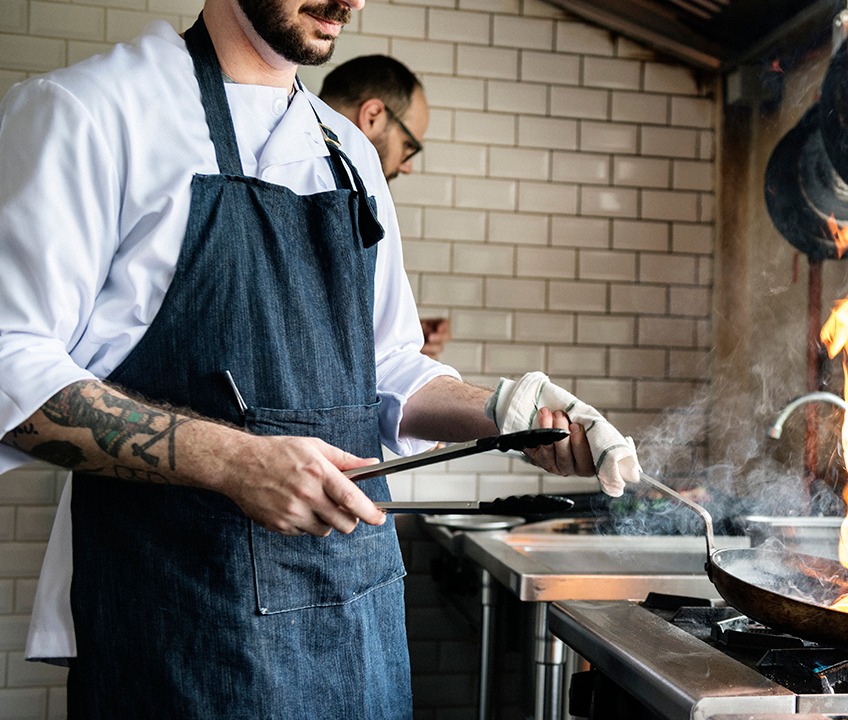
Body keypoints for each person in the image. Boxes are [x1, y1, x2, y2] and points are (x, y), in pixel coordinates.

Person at [0, 0, 638, 715]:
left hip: (356, 617)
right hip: (184, 623)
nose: (350, 2)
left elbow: (387, 367)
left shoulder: (348, 152)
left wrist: (503, 411)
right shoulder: (91, 112)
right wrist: (237, 462)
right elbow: (9, 365)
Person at [319, 55, 451, 358]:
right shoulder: (327, 195)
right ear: (373, 116)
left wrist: (394, 337)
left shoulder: (359, 198)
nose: (407, 167)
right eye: (409, 146)